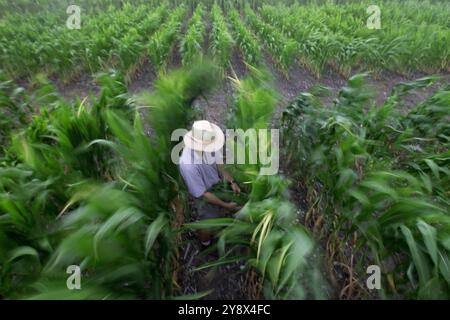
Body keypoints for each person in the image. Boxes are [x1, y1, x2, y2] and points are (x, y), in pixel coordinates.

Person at [180, 120, 241, 246]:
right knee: (208, 221)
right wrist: (225, 205)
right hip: (203, 195)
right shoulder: (188, 165)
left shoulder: (209, 144)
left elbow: (219, 162)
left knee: (219, 212)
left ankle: (220, 219)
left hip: (215, 184)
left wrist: (231, 181)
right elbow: (203, 194)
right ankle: (205, 243)